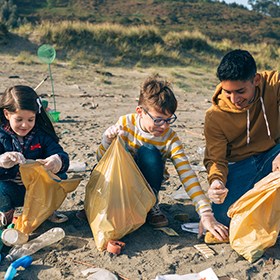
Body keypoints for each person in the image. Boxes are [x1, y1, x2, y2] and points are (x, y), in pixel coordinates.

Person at [96, 75, 228, 240]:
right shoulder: (125, 124)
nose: (164, 126)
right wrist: (107, 140)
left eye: (168, 120)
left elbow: (186, 173)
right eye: (158, 120)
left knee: (149, 151)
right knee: (129, 149)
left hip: (148, 186)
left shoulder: (169, 137)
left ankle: (150, 205)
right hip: (122, 184)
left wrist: (206, 213)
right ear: (140, 112)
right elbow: (103, 161)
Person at [204, 49, 280, 227]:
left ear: (256, 80)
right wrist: (216, 181)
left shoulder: (274, 84)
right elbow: (216, 158)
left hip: (273, 154)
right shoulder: (215, 116)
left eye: (240, 91)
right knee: (224, 217)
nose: (234, 99)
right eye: (227, 92)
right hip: (241, 165)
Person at [0, 85, 70, 227]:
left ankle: (46, 210)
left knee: (61, 177)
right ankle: (6, 212)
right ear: (7, 114)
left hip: (38, 191)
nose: (25, 125)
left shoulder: (41, 135)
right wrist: (1, 162)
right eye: (19, 120)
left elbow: (62, 156)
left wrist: (57, 161)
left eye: (30, 120)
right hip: (11, 190)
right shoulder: (1, 135)